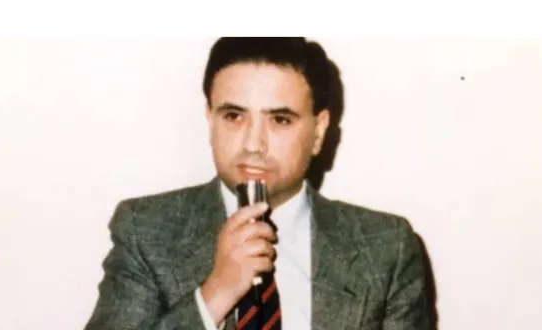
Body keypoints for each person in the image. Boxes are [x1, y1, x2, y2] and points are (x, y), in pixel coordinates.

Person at [84, 37, 431, 330]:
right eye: (234, 116)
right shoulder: (145, 231)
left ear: (318, 131)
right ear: (210, 119)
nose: (253, 144)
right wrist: (215, 295)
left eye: (280, 120)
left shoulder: (386, 248)